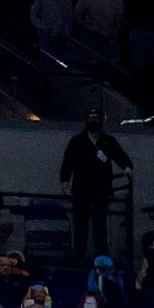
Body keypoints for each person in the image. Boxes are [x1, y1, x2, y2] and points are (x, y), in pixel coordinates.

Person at [59, 110, 133, 262]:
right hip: (81, 189)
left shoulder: (108, 141)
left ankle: (102, 258)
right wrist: (65, 181)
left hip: (101, 190)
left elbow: (119, 155)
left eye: (96, 119)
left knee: (100, 226)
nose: (94, 121)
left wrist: (127, 167)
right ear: (86, 121)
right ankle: (79, 258)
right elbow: (68, 161)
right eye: (91, 118)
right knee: (80, 225)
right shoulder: (77, 141)